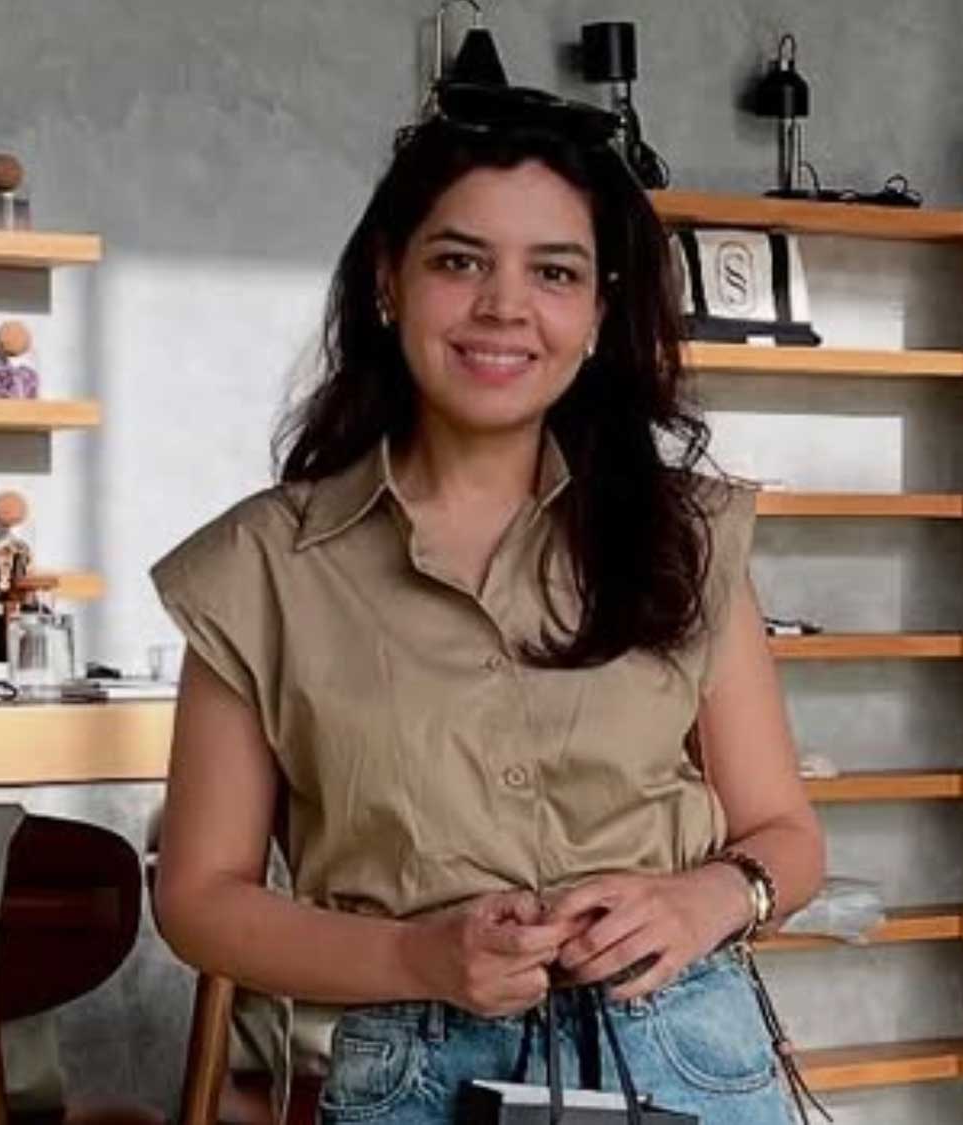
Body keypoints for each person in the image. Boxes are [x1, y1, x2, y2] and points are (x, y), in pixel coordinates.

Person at [150, 87, 825, 1125]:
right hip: (415, 1072)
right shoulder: (260, 566)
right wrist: (414, 953)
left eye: (552, 272)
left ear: (598, 311)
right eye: (459, 261)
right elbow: (198, 898)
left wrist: (707, 899)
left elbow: (787, 834)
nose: (504, 307)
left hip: (695, 1058)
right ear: (388, 280)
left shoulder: (686, 538)